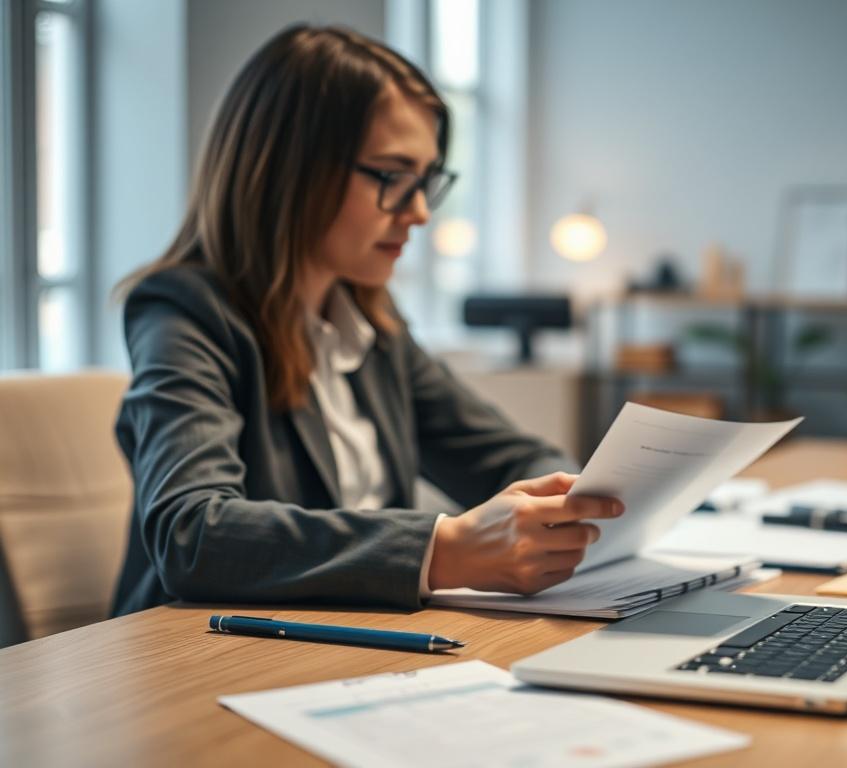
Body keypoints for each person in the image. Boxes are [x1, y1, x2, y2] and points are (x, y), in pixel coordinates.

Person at [111, 24, 623, 616]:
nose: (421, 212)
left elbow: (505, 456)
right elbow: (192, 533)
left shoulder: (372, 325)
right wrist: (445, 549)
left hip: (353, 645)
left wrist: (567, 498)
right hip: (200, 657)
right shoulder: (185, 310)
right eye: (391, 176)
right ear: (290, 168)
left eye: (427, 178)